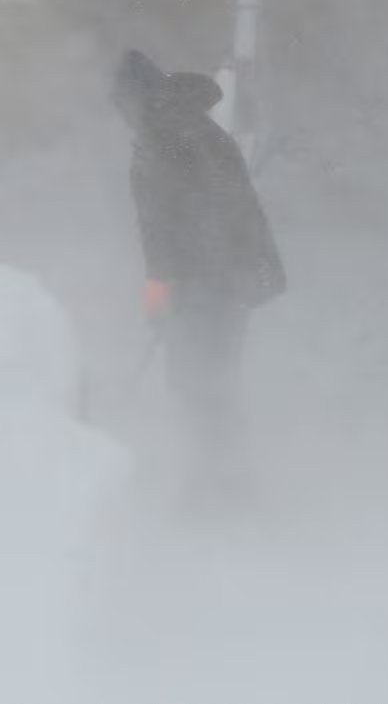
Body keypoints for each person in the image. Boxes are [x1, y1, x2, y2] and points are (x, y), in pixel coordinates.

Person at [113, 49, 284, 499]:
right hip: (215, 283)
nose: (123, 118)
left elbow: (182, 224)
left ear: (140, 99)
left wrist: (173, 290)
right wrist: (162, 294)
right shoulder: (181, 129)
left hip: (212, 285)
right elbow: (166, 230)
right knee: (207, 380)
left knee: (201, 381)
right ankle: (221, 480)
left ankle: (221, 487)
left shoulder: (171, 137)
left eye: (123, 106)